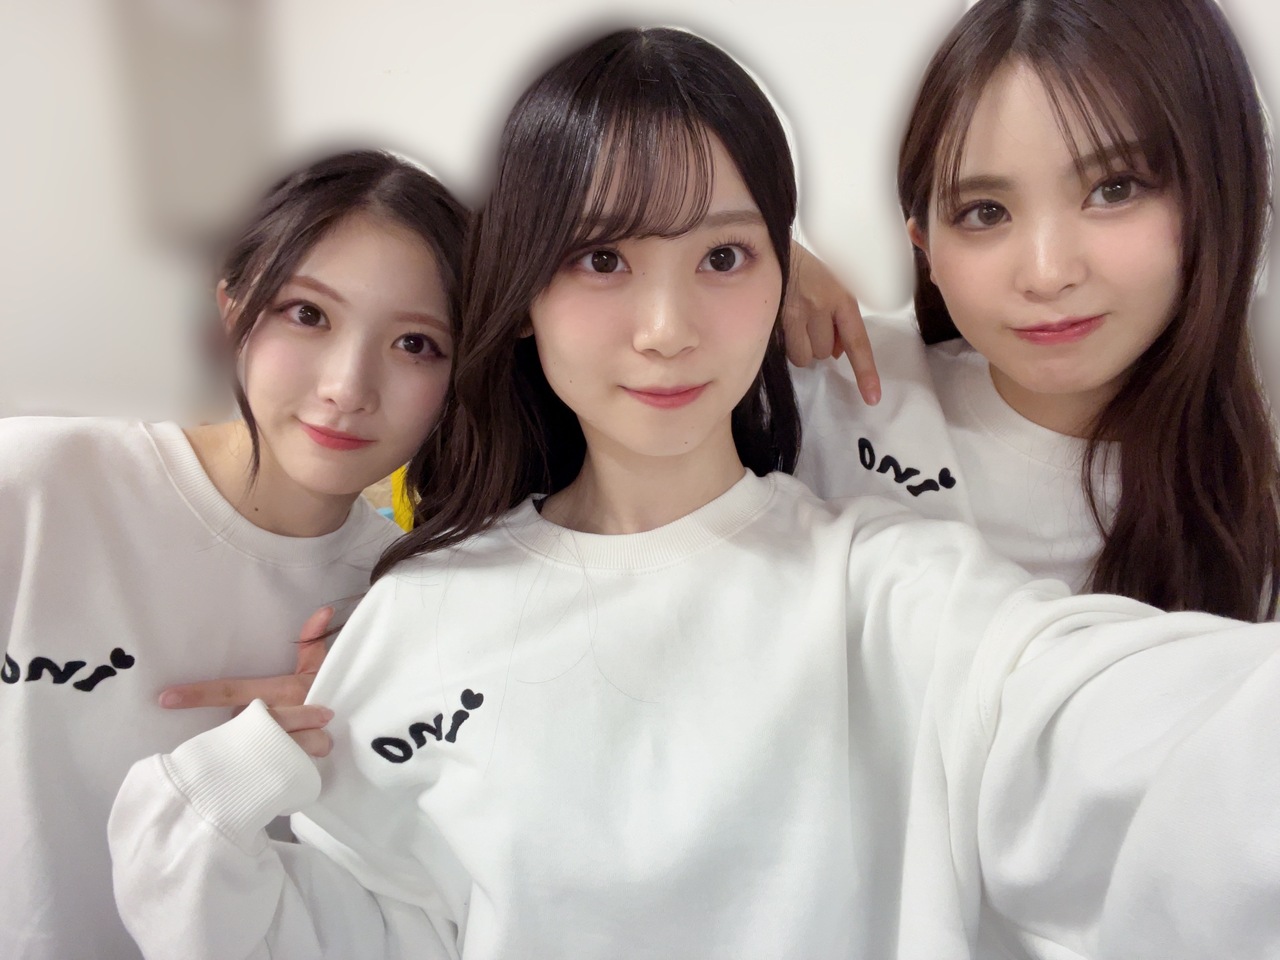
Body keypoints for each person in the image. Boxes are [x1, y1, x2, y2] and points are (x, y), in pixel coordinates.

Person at [110, 26, 1280, 960]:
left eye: (722, 257)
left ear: (779, 282)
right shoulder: (421, 612)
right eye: (601, 258)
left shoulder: (897, 589)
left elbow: (1127, 726)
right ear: (519, 291)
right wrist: (215, 804)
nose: (666, 328)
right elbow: (368, 928)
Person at [0, 148, 467, 960]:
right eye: (308, 314)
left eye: (416, 343)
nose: (348, 386)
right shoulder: (39, 485)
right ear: (232, 310)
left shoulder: (404, 604)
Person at [789, 0, 1279, 619]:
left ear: (1220, 193)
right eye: (985, 212)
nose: (1047, 275)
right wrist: (748, 263)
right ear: (925, 245)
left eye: (1114, 189)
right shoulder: (826, 397)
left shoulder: (1254, 505)